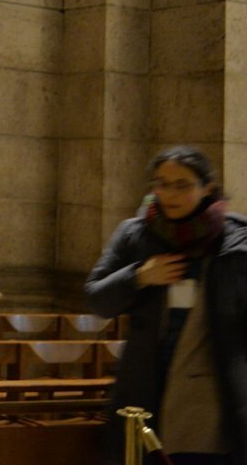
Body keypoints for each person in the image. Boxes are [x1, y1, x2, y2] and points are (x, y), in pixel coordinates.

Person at [86, 146, 247, 464]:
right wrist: (138, 276)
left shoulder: (236, 243)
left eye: (182, 184)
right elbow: (97, 300)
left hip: (213, 397)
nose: (168, 193)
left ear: (207, 188)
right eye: (161, 183)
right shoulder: (135, 235)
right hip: (146, 387)